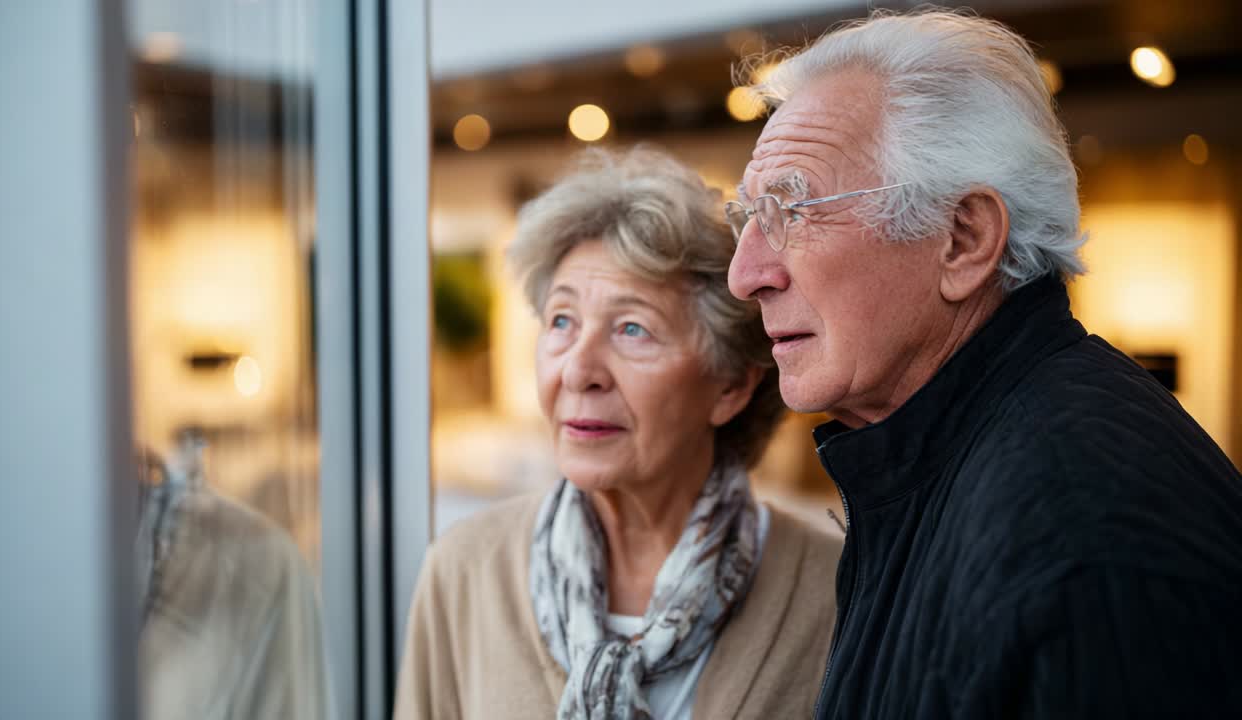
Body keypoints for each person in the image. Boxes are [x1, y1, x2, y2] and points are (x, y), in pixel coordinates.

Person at [725, 7, 1242, 718]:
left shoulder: (1082, 536)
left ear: (964, 239)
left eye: (793, 210)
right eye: (748, 217)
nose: (745, 275)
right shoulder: (960, 462)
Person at [394, 146, 843, 720]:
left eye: (633, 329)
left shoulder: (830, 590)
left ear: (731, 385)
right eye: (562, 321)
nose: (578, 370)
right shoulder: (464, 570)